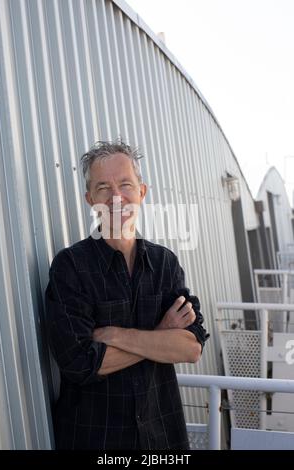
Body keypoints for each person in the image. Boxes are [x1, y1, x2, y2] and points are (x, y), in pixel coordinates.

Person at [45, 140, 209, 450]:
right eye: (103, 188)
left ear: (142, 193)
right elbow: (80, 363)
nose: (116, 198)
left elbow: (191, 347)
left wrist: (114, 335)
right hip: (94, 440)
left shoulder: (164, 264)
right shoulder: (70, 267)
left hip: (163, 439)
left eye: (125, 185)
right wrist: (160, 336)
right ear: (89, 199)